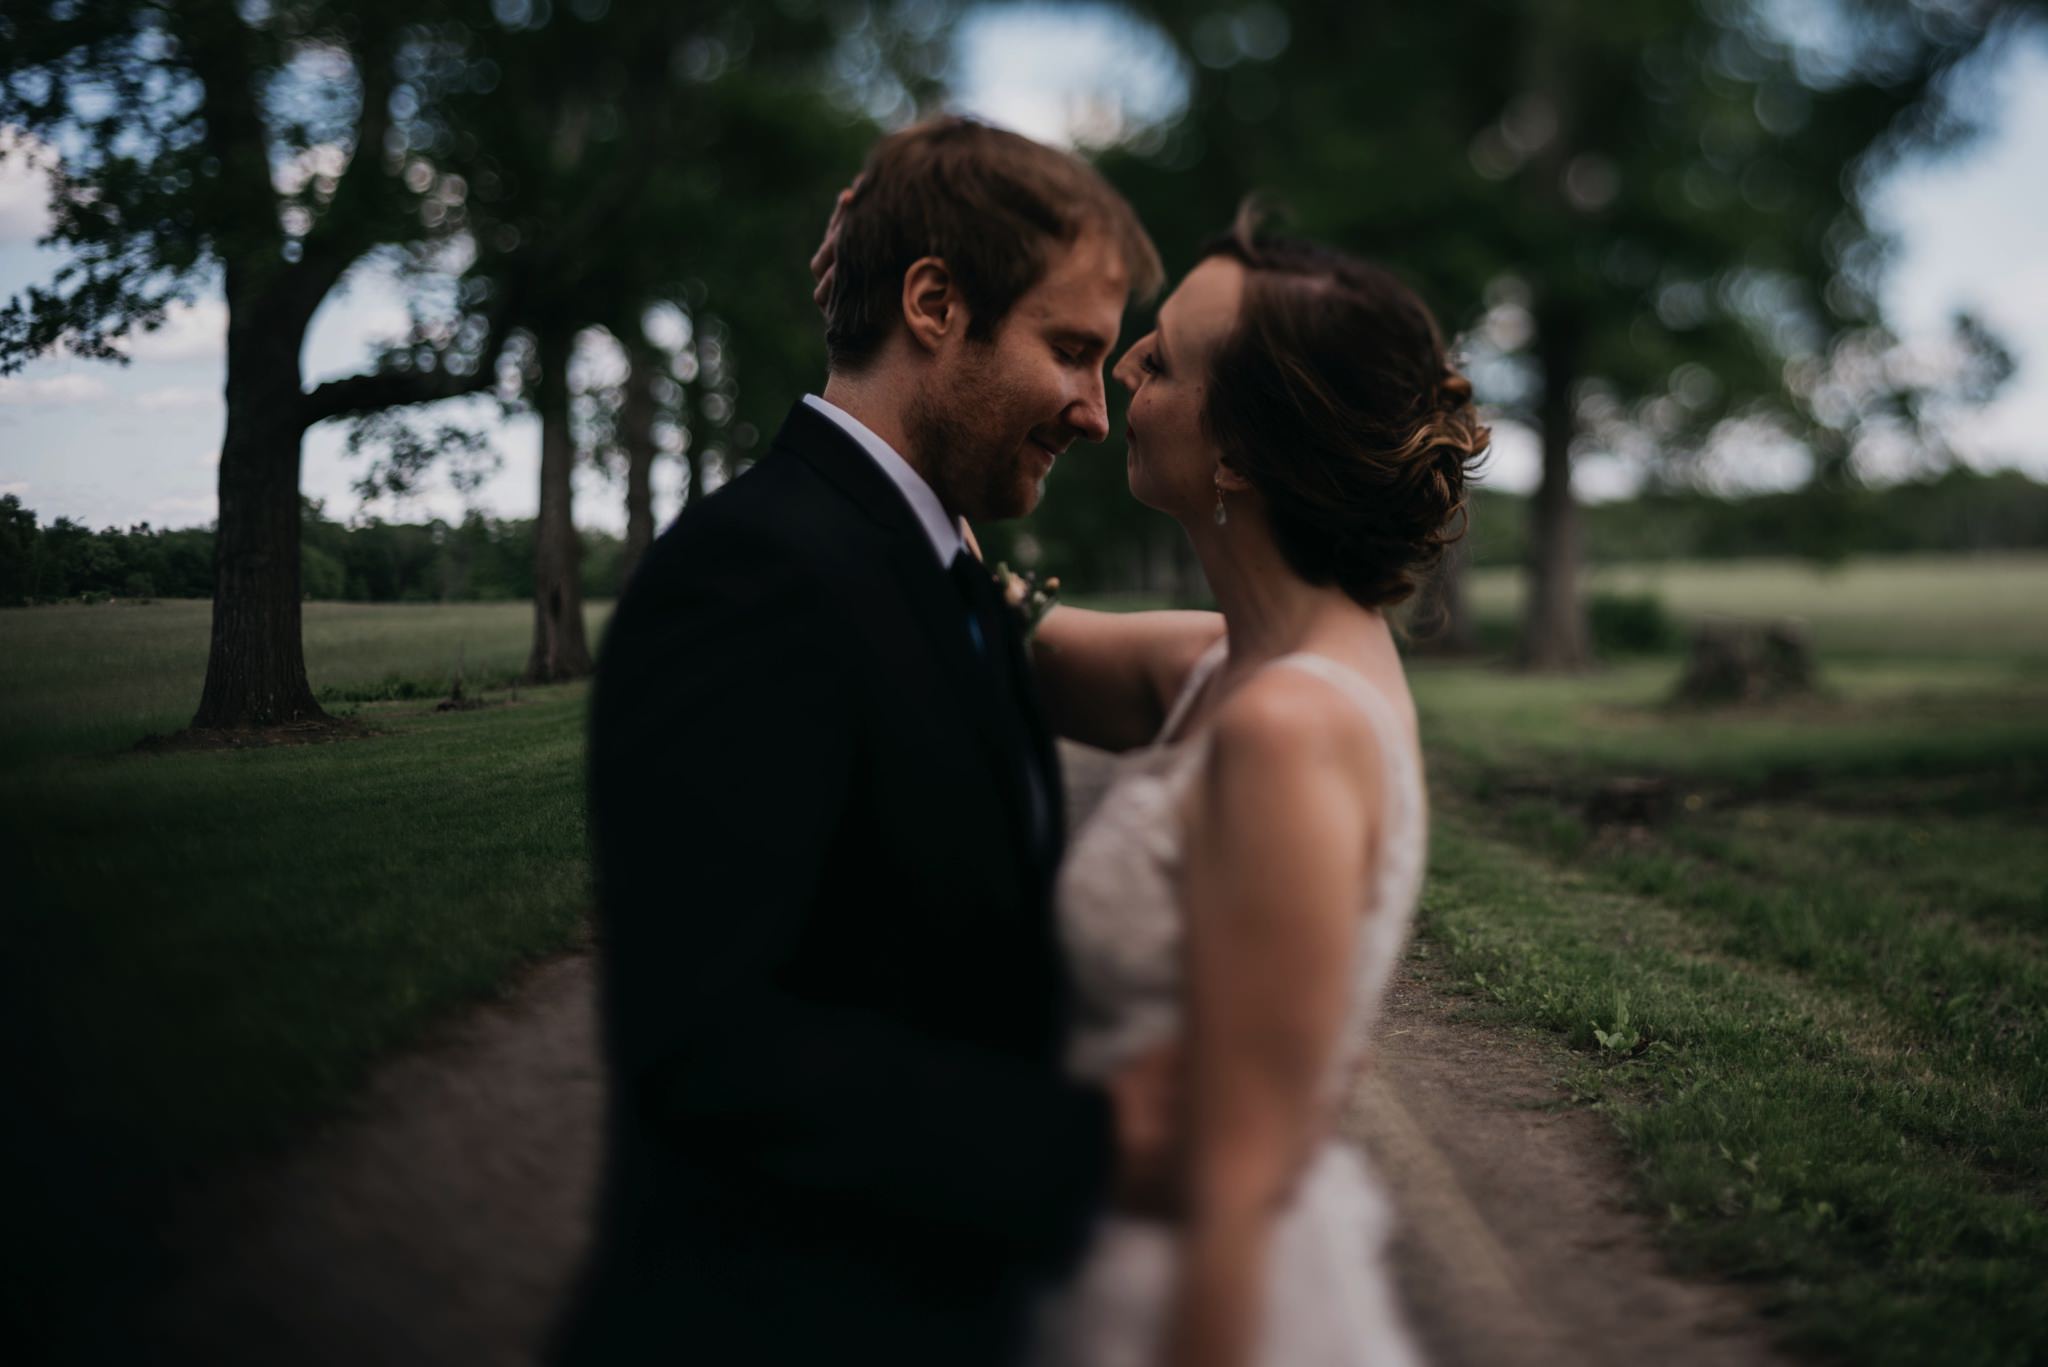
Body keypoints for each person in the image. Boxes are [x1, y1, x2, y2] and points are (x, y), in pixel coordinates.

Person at [554, 116, 1179, 1367]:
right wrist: (1096, 1139)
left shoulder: (926, 561)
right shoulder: (748, 580)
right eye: (1070, 350)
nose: (1092, 413)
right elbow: (710, 1051)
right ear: (935, 303)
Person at [1018, 210, 1488, 1366]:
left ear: (1237, 455)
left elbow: (1229, 1195)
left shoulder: (1285, 725)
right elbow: (1000, 632)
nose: (1121, 364)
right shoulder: (1225, 664)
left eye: (1161, 359)